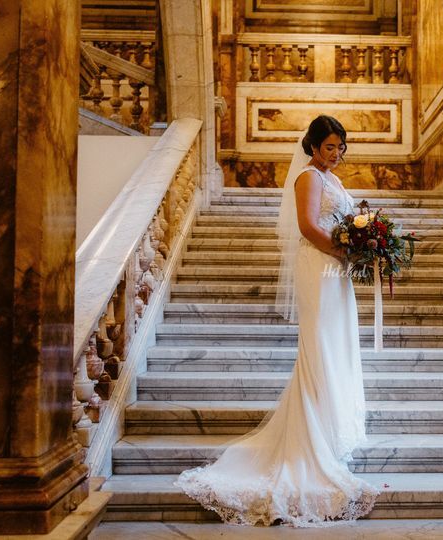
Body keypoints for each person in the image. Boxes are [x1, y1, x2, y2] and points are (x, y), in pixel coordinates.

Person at [175, 115, 380, 527]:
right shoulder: (308, 178)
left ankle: (327, 438)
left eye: (341, 148)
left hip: (334, 273)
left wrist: (361, 243)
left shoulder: (332, 180)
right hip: (318, 268)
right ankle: (310, 447)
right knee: (318, 350)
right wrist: (347, 253)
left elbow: (342, 223)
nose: (336, 154)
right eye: (329, 147)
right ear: (313, 146)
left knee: (334, 349)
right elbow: (307, 227)